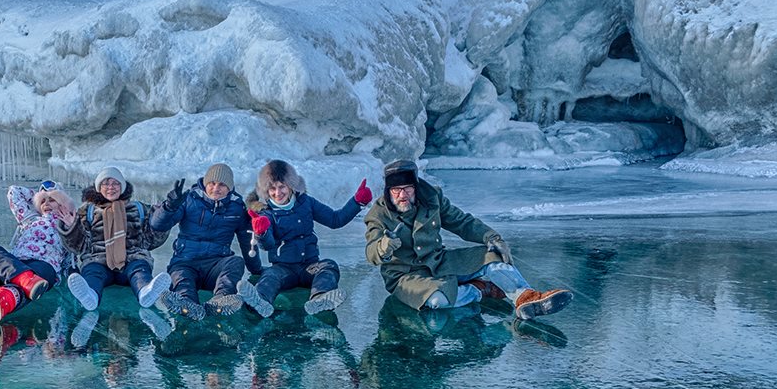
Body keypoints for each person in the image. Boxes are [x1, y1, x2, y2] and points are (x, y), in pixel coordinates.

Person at [363, 159, 572, 319]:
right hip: (407, 276)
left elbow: (461, 222)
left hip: (439, 261)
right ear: (388, 191)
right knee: (437, 301)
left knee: (493, 256)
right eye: (396, 190)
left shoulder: (432, 198)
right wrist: (383, 247)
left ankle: (526, 298)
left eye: (407, 189)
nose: (402, 195)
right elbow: (371, 252)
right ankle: (479, 290)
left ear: (415, 187)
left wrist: (491, 236)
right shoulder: (378, 215)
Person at [237, 160, 372, 317]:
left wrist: (357, 202)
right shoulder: (266, 213)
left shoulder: (306, 202)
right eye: (272, 188)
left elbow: (335, 220)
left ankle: (320, 299)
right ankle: (260, 301)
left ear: (291, 186)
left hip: (310, 265)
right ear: (266, 191)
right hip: (283, 268)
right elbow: (267, 245)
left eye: (282, 187)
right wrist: (261, 233)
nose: (277, 193)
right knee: (270, 275)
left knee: (329, 266)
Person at [148, 162, 261, 321]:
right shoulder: (188, 199)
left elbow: (246, 240)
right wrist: (169, 207)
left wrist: (256, 270)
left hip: (216, 264)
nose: (216, 188)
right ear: (205, 183)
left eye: (222, 184)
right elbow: (157, 224)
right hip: (186, 261)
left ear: (229, 187)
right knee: (181, 279)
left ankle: (220, 300)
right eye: (212, 183)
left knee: (235, 262)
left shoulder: (236, 207)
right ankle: (187, 303)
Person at [61, 166, 171, 313]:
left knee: (139, 270)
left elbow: (150, 241)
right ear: (99, 187)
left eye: (115, 183)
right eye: (106, 183)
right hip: (97, 260)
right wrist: (72, 227)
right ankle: (90, 296)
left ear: (122, 186)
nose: (111, 187)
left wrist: (161, 220)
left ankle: (145, 291)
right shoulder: (87, 211)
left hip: (132, 259)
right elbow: (81, 247)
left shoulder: (138, 208)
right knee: (93, 273)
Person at [0, 180, 75, 323]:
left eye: (52, 200)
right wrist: (39, 196)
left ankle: (6, 298)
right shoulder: (29, 219)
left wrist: (72, 226)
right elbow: (14, 191)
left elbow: (79, 247)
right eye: (43, 201)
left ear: (62, 202)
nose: (46, 204)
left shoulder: (67, 223)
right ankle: (22, 279)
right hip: (15, 263)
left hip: (44, 265)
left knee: (33, 283)